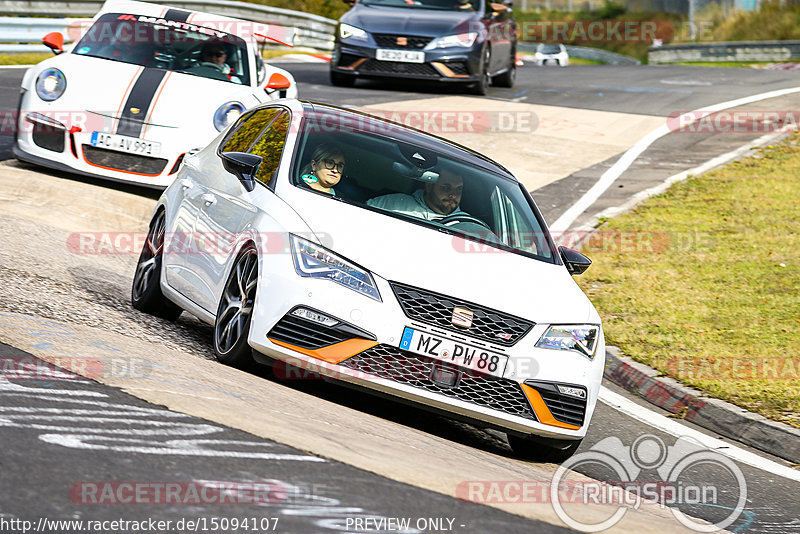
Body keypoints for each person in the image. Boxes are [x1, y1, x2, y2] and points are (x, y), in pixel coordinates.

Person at [366, 168, 467, 220]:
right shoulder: (392, 204)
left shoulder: (468, 225)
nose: (453, 195)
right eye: (446, 187)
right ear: (429, 186)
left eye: (459, 189)